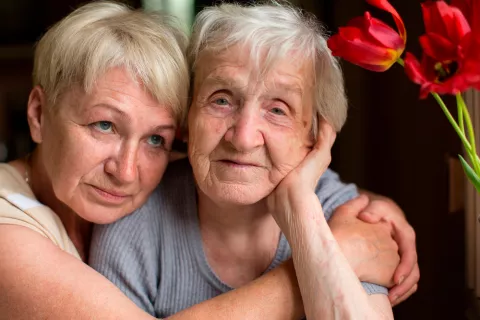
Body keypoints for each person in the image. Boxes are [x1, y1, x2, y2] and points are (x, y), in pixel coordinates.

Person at [0, 1, 418, 319]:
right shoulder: (17, 235)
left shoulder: (344, 216)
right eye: (104, 126)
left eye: (155, 139)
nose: (126, 171)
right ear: (37, 114)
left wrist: (346, 209)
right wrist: (329, 255)